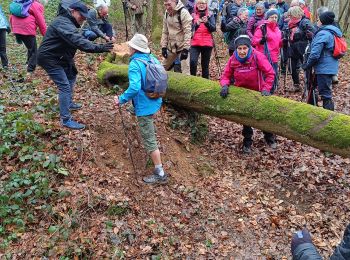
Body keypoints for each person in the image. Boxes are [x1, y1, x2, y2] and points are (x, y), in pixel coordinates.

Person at [37, 2, 114, 130]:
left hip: (62, 56)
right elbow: (78, 41)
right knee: (64, 86)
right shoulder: (62, 22)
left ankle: (69, 103)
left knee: (72, 75)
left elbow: (77, 38)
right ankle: (65, 120)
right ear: (72, 11)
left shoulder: (69, 22)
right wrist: (101, 47)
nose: (83, 18)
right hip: (50, 58)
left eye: (85, 16)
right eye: (81, 15)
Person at [114, 34, 168, 185]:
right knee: (134, 109)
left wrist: (120, 99)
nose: (129, 47)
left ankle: (160, 173)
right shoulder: (153, 59)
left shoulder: (134, 65)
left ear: (134, 48)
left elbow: (135, 87)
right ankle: (133, 118)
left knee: (150, 141)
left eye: (130, 46)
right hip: (155, 100)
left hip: (144, 107)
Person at [219, 35, 276, 154]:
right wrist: (225, 85)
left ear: (249, 48)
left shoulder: (257, 56)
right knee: (246, 119)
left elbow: (270, 73)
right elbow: (226, 75)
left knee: (262, 116)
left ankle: (269, 137)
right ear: (236, 49)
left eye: (245, 48)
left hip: (259, 93)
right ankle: (247, 142)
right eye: (239, 49)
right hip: (242, 94)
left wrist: (266, 89)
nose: (242, 51)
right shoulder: (233, 59)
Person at [302, 11, 342, 111]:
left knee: (326, 95)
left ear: (323, 21)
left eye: (319, 19)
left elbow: (315, 54)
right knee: (319, 89)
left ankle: (329, 120)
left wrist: (307, 64)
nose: (317, 21)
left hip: (323, 68)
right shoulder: (333, 32)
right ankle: (315, 110)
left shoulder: (323, 33)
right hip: (330, 66)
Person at [9, 0, 47, 76]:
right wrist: (46, 35)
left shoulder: (19, 2)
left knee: (30, 47)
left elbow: (11, 16)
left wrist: (13, 28)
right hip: (27, 29)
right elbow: (40, 20)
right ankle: (30, 70)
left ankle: (28, 63)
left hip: (17, 27)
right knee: (34, 51)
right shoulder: (36, 5)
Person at [252, 9, 282, 93]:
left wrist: (284, 42)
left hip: (274, 57)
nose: (274, 19)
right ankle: (262, 91)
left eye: (276, 17)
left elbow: (279, 43)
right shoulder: (262, 28)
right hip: (263, 56)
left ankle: (271, 93)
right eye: (272, 17)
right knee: (265, 76)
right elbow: (254, 41)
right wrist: (261, 40)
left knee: (273, 75)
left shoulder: (278, 30)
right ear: (267, 18)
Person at [286, 6, 314, 92]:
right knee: (292, 67)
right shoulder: (291, 23)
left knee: (306, 67)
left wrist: (305, 34)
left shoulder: (305, 21)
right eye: (289, 15)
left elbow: (312, 33)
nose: (289, 17)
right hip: (293, 48)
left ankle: (310, 86)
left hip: (303, 48)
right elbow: (290, 34)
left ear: (296, 14)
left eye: (291, 15)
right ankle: (296, 85)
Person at [161, 0, 193, 75]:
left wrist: (186, 49)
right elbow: (165, 31)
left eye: (169, 4)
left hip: (182, 47)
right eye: (165, 5)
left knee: (185, 72)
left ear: (175, 1)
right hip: (171, 47)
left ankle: (186, 86)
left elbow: (188, 32)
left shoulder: (183, 12)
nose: (167, 7)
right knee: (161, 68)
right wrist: (164, 47)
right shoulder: (166, 13)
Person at [190, 0, 216, 79]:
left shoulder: (210, 15)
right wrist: (196, 24)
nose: (201, 5)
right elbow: (189, 29)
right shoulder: (192, 15)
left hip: (207, 43)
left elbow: (213, 28)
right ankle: (193, 79)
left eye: (203, 3)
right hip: (195, 43)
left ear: (206, 5)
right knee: (192, 62)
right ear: (196, 5)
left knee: (205, 65)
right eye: (199, 3)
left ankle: (205, 82)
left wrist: (207, 22)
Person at [0, 4, 10, 69]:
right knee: (2, 47)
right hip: (2, 27)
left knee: (2, 47)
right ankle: (5, 65)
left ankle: (5, 65)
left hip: (2, 27)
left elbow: (2, 15)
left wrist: (7, 26)